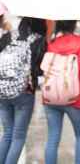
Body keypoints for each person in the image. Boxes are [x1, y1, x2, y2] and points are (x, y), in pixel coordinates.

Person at [44, 20, 80, 164]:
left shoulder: (52, 43)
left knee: (52, 137)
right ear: (74, 25)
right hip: (75, 97)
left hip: (51, 96)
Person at [0, 17, 47, 164]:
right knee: (18, 136)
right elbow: (40, 69)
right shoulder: (39, 40)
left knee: (7, 133)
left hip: (2, 90)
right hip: (24, 92)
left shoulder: (8, 36)